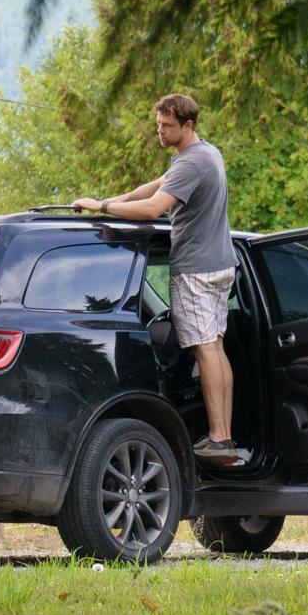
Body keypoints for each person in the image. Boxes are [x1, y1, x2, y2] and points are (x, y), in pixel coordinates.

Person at [75, 91, 246, 468]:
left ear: (188, 125)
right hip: (218, 264)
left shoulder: (191, 164)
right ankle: (224, 435)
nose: (159, 132)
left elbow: (154, 207)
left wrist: (103, 209)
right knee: (215, 347)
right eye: (157, 124)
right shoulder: (206, 154)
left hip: (197, 269)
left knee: (205, 349)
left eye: (167, 126)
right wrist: (105, 200)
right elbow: (152, 187)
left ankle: (219, 438)